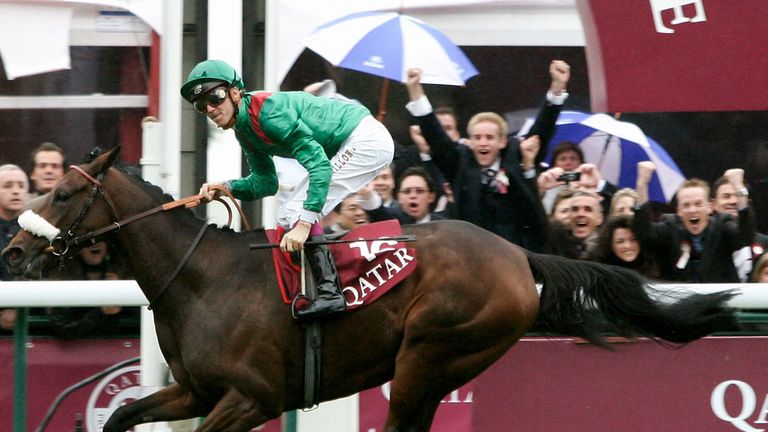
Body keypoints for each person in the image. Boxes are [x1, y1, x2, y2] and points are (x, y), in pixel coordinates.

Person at [180, 59, 394, 319]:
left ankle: (331, 293)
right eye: (201, 105)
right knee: (286, 214)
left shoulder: (269, 113)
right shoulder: (244, 130)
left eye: (215, 97)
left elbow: (320, 168)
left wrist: (304, 225)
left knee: (296, 213)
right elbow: (266, 183)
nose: (211, 109)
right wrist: (227, 187)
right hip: (351, 142)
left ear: (235, 92)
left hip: (365, 140)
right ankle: (314, 287)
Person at [405, 60, 570, 252]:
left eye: (489, 138)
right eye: (477, 138)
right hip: (472, 255)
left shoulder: (517, 156)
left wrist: (557, 88)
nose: (483, 143)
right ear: (470, 141)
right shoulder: (459, 162)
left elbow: (542, 131)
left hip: (517, 254)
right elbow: (435, 136)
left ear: (502, 142)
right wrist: (415, 91)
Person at [633, 178, 755, 282]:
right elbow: (644, 233)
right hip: (681, 300)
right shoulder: (670, 226)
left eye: (698, 204)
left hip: (719, 300)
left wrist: (739, 188)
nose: (692, 210)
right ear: (679, 211)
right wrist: (642, 185)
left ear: (709, 207)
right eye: (686, 205)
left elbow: (745, 237)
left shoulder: (722, 225)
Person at [45, 241, 139, 339]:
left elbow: (143, 319)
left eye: (100, 239)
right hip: (75, 345)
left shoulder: (123, 274)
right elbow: (64, 329)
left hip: (122, 345)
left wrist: (122, 292)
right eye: (88, 241)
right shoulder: (63, 277)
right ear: (78, 249)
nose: (95, 244)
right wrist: (101, 312)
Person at [710, 169, 768, 282]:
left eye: (738, 195)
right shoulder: (705, 240)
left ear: (747, 203)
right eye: (726, 196)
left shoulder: (765, 243)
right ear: (713, 204)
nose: (733, 201)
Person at [0, 164, 30, 332]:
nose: (16, 191)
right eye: (8, 186)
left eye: (21, 186)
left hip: (29, 321)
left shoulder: (35, 232)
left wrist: (16, 307)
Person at [364, 166, 447, 225]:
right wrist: (368, 196)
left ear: (431, 196)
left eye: (419, 191)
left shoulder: (443, 225)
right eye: (407, 191)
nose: (413, 196)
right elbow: (378, 212)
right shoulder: (392, 219)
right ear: (399, 197)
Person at [594, 215, 662, 280]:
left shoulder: (654, 264)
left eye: (633, 239)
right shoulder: (599, 271)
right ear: (610, 245)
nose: (628, 246)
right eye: (620, 241)